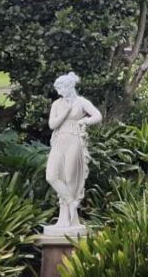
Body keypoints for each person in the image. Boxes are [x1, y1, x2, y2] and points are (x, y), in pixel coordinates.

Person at [44, 72, 101, 232]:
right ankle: (71, 202)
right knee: (52, 176)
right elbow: (52, 124)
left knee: (70, 178)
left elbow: (97, 115)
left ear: (69, 87)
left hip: (74, 140)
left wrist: (85, 121)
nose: (58, 91)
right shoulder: (57, 104)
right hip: (59, 140)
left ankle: (68, 219)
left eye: (60, 88)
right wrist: (66, 111)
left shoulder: (81, 102)